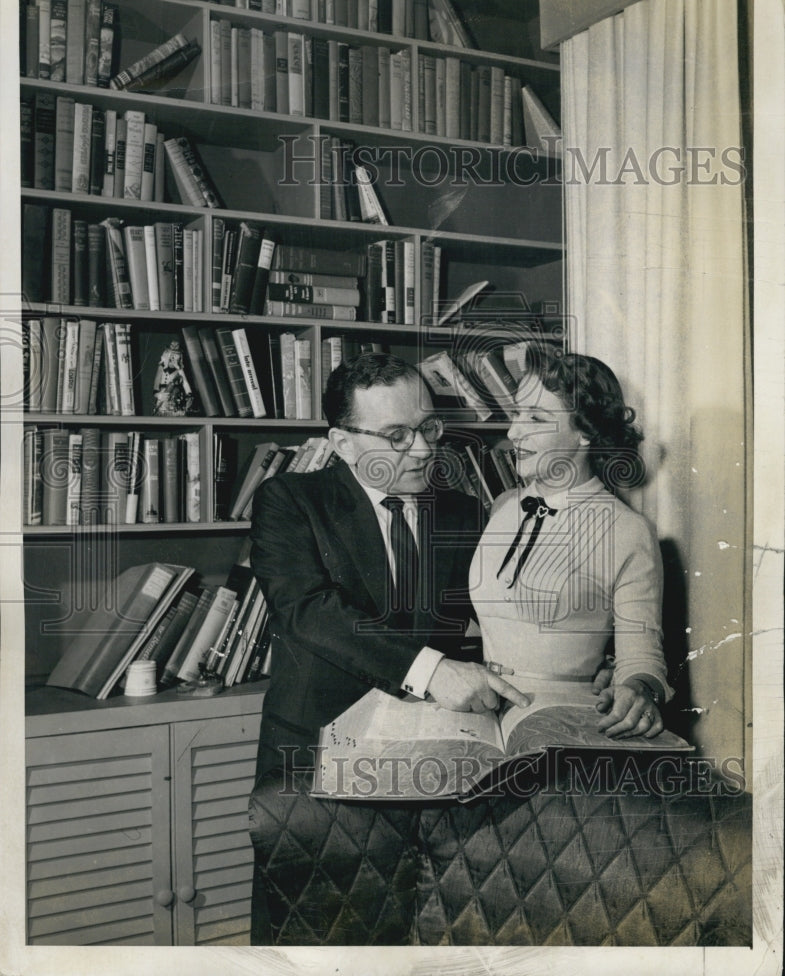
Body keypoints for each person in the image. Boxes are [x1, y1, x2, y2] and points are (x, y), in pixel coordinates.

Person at [247, 352, 529, 945]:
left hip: (430, 754)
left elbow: (505, 612)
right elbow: (308, 612)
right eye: (397, 435)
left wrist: (599, 668)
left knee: (423, 926)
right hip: (318, 751)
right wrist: (431, 669)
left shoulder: (462, 509)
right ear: (342, 443)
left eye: (428, 428)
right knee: (313, 934)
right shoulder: (289, 501)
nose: (424, 450)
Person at [469, 343, 673, 739]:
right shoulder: (502, 506)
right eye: (515, 415)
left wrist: (636, 687)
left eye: (536, 418)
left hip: (561, 718)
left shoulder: (628, 530)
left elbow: (642, 653)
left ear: (584, 434)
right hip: (482, 711)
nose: (513, 432)